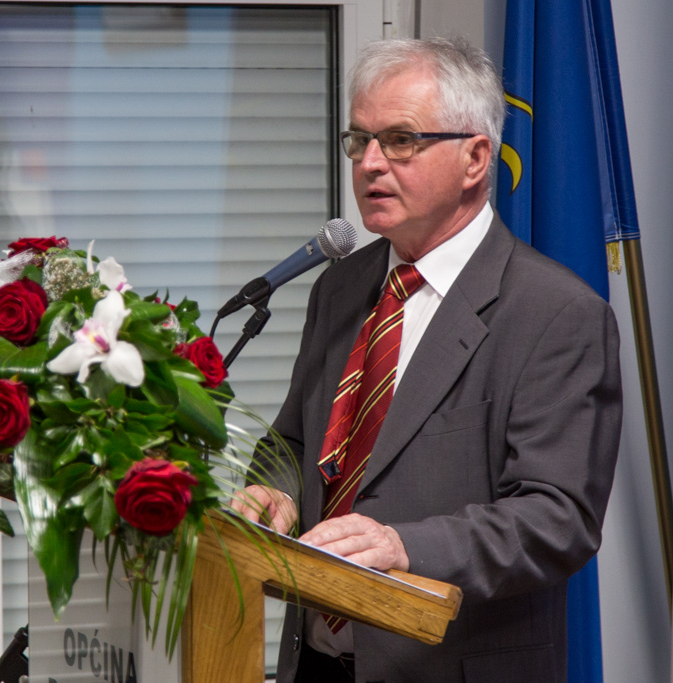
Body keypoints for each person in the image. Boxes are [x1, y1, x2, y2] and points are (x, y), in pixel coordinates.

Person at [229, 36, 621, 683]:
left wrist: (404, 545)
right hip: (316, 663)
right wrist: (276, 490)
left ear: (475, 158)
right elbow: (293, 440)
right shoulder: (339, 287)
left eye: (400, 140)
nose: (369, 163)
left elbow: (558, 518)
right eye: (360, 140)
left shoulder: (556, 312)